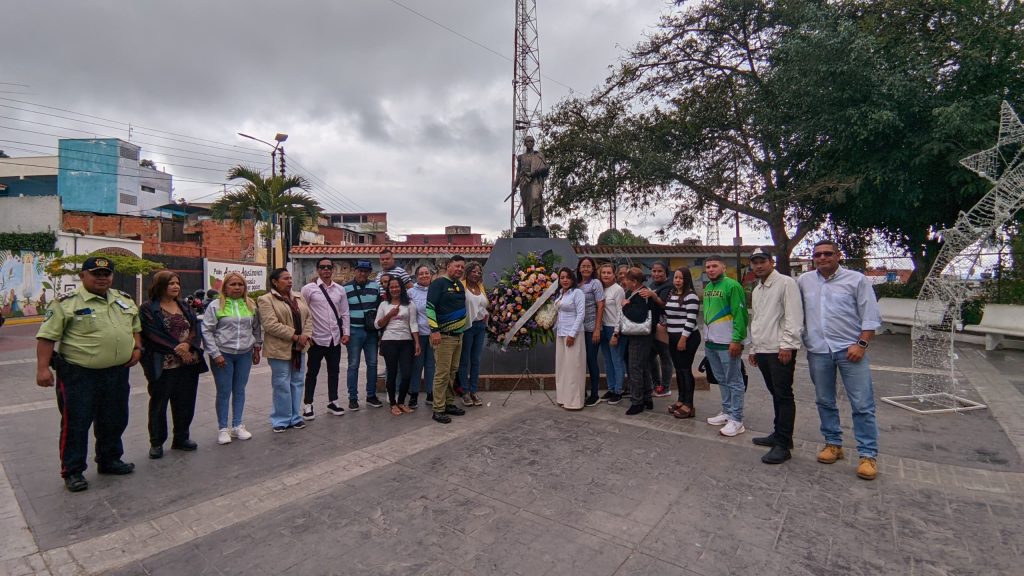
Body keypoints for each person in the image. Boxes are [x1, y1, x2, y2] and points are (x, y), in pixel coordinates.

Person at [36, 256, 141, 492]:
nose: (102, 278)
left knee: (114, 418)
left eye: (106, 274)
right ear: (83, 276)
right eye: (96, 274)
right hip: (79, 374)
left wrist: (136, 347)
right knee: (76, 423)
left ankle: (109, 459)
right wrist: (42, 368)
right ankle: (73, 471)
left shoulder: (122, 299)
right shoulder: (66, 303)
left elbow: (135, 326)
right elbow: (46, 337)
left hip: (116, 373)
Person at [798, 240, 882, 480]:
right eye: (817, 254)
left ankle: (868, 455)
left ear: (838, 255)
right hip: (818, 350)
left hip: (850, 350)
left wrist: (862, 344)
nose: (822, 258)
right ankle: (833, 443)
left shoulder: (857, 280)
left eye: (827, 253)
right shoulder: (805, 281)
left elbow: (870, 317)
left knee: (862, 404)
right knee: (824, 400)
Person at [140, 271, 208, 459]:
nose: (175, 287)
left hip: (188, 363)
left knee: (185, 402)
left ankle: (181, 437)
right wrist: (178, 349)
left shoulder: (184, 305)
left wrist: (188, 345)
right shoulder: (148, 308)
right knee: (159, 404)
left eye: (177, 283)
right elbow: (152, 333)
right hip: (164, 364)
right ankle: (156, 442)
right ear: (160, 285)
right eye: (171, 283)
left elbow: (195, 328)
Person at [746, 248, 804, 465]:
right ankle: (777, 433)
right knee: (775, 394)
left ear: (772, 262)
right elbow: (759, 320)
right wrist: (754, 348)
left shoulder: (786, 283)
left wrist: (788, 345)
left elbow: (793, 316)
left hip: (780, 350)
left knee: (783, 395)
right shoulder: (759, 288)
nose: (758, 265)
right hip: (763, 349)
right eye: (755, 262)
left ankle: (784, 443)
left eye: (762, 261)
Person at [203, 272, 262, 445]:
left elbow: (256, 328)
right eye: (233, 284)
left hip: (244, 354)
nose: (237, 288)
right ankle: (223, 428)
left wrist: (257, 347)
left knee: (240, 390)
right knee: (223, 391)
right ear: (225, 287)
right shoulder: (215, 306)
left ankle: (238, 425)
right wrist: (215, 354)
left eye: (240, 284)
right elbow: (207, 331)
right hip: (223, 354)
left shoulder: (250, 305)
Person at [257, 268, 313, 433]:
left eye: (290, 278)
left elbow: (309, 318)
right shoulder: (266, 299)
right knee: (281, 383)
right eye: (285, 278)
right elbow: (270, 325)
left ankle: (295, 417)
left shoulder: (298, 296)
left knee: (297, 381)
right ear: (275, 281)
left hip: (300, 348)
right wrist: (295, 336)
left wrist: (305, 336)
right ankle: (281, 419)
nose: (290, 281)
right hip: (279, 348)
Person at [702, 255, 749, 437]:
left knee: (735, 381)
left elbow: (740, 314)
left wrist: (737, 340)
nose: (711, 269)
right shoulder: (708, 288)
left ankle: (737, 420)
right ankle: (727, 411)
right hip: (711, 343)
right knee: (721, 379)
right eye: (708, 267)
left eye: (714, 266)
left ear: (723, 267)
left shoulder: (732, 286)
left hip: (728, 343)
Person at [300, 258, 350, 420]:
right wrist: (307, 334)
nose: (326, 270)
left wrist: (346, 332)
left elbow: (344, 312)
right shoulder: (309, 289)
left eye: (329, 267)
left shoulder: (340, 290)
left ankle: (333, 401)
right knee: (312, 372)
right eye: (323, 267)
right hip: (316, 339)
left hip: (334, 338)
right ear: (318, 270)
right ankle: (308, 404)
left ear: (333, 269)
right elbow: (303, 313)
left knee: (334, 371)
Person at [427, 255, 468, 424]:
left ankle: (449, 403)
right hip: (443, 337)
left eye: (461, 267)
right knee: (442, 374)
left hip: (458, 336)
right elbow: (429, 308)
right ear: (448, 265)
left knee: (452, 372)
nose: (459, 269)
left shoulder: (459, 285)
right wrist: (434, 330)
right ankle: (438, 409)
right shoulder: (438, 284)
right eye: (456, 266)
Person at [375, 277, 421, 415]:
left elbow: (413, 324)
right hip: (389, 341)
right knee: (392, 373)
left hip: (406, 341)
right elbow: (377, 324)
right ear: (388, 290)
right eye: (391, 287)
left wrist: (417, 342)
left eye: (397, 286)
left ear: (401, 288)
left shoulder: (410, 304)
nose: (394, 289)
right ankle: (393, 404)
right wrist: (389, 314)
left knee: (406, 374)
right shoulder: (384, 305)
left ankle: (401, 401)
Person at [344, 260, 383, 410]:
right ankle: (352, 398)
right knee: (353, 365)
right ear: (355, 271)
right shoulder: (345, 288)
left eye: (366, 271)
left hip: (371, 332)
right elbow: (342, 311)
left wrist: (379, 331)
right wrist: (345, 332)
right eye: (360, 270)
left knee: (372, 364)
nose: (362, 273)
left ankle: (371, 395)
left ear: (369, 272)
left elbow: (379, 308)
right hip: (354, 331)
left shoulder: (375, 287)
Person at [665, 267, 702, 420]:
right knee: (679, 370)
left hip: (687, 338)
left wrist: (683, 338)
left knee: (686, 370)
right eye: (676, 278)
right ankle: (680, 400)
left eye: (681, 278)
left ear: (686, 279)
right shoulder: (672, 294)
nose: (678, 281)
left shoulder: (691, 296)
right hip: (673, 337)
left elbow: (691, 319)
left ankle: (689, 404)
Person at [621, 267, 656, 415]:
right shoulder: (641, 292)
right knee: (643, 367)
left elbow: (639, 316)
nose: (625, 282)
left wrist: (625, 307)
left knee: (635, 367)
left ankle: (637, 401)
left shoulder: (641, 294)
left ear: (634, 282)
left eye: (627, 280)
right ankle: (647, 397)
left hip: (639, 337)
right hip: (642, 337)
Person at [553, 267, 586, 410]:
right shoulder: (560, 294)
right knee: (562, 368)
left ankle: (574, 402)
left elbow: (581, 314)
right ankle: (563, 398)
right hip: (560, 334)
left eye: (567, 277)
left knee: (573, 369)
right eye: (562, 278)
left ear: (573, 279)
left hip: (573, 335)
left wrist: (572, 334)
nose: (564, 280)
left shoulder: (577, 293)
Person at [576, 257, 605, 407]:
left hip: (591, 328)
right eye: (583, 266)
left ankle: (595, 394)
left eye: (588, 266)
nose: (586, 269)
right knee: (579, 362)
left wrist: (596, 329)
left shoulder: (596, 283)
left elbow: (601, 306)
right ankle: (581, 391)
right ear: (579, 268)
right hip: (578, 329)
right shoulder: (576, 284)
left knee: (591, 361)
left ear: (593, 269)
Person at [458, 261, 488, 407]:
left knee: (476, 359)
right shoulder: (461, 285)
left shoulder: (480, 287)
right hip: (466, 327)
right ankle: (464, 391)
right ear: (468, 272)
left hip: (480, 326)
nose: (476, 274)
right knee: (464, 360)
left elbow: (483, 305)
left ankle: (474, 391)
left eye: (478, 272)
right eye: (473, 271)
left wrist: (486, 314)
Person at [644, 262, 674, 398]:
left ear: (666, 272)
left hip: (663, 327)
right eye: (654, 271)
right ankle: (657, 384)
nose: (656, 274)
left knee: (665, 357)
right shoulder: (652, 285)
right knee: (650, 357)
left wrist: (653, 295)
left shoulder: (669, 286)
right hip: (651, 326)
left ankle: (666, 387)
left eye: (659, 271)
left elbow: (664, 304)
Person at [408, 265, 436, 409]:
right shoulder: (411, 292)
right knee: (417, 366)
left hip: (433, 334)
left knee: (431, 365)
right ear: (416, 276)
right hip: (417, 335)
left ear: (430, 275)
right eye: (421, 274)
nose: (424, 276)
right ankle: (414, 394)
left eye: (427, 273)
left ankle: (431, 393)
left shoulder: (436, 290)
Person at [598, 263, 625, 404]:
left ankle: (619, 391)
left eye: (609, 272)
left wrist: (616, 333)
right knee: (607, 361)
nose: (606, 275)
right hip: (603, 328)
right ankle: (611, 387)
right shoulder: (600, 289)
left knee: (617, 361)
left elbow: (621, 312)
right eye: (604, 272)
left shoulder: (618, 290)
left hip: (614, 329)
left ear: (614, 275)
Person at [513, 135, 549, 227]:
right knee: (526, 203)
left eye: (531, 141)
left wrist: (534, 173)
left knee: (535, 197)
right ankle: (528, 222)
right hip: (524, 181)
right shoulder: (521, 157)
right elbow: (518, 172)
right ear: (525, 143)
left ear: (534, 143)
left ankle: (535, 220)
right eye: (528, 141)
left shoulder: (539, 155)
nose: (530, 143)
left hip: (535, 180)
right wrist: (515, 185)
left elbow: (545, 168)